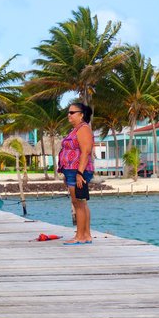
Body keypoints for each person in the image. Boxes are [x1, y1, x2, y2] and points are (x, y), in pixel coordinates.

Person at [59, 102, 95, 245]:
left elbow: (86, 152)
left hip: (78, 170)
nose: (69, 115)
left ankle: (80, 236)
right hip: (71, 171)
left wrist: (79, 173)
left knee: (78, 203)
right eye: (68, 112)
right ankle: (86, 235)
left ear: (81, 115)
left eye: (72, 112)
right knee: (80, 202)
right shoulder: (76, 129)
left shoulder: (83, 129)